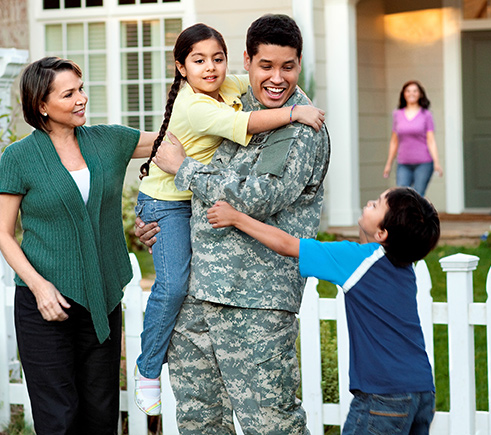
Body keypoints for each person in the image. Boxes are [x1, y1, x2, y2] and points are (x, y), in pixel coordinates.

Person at [141, 13, 331, 434]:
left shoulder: (302, 127)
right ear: (247, 61)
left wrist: (183, 170)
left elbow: (260, 196)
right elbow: (183, 160)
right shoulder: (225, 103)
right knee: (198, 421)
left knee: (270, 424)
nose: (277, 78)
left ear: (299, 64)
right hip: (197, 296)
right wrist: (156, 217)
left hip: (255, 303)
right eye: (266, 66)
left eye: (288, 66)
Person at [0, 57, 155, 434]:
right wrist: (39, 286)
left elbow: (170, 140)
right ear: (42, 106)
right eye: (69, 94)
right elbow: (4, 232)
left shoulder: (108, 141)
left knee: (101, 416)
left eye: (81, 89)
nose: (81, 99)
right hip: (44, 306)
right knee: (59, 420)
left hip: (102, 298)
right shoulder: (18, 158)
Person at [206, 186, 440, 434]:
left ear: (382, 233)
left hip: (383, 393)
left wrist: (236, 217)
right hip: (422, 390)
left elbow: (287, 245)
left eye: (377, 204)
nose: (370, 201)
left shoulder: (358, 259)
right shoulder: (404, 270)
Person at [383, 80, 443, 196]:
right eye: (408, 91)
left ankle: (419, 215)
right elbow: (394, 141)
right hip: (403, 163)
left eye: (415, 91)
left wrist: (436, 162)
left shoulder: (426, 114)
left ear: (420, 94)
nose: (411, 93)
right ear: (403, 94)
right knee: (401, 196)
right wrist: (388, 164)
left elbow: (431, 140)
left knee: (418, 196)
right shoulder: (397, 114)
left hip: (424, 163)